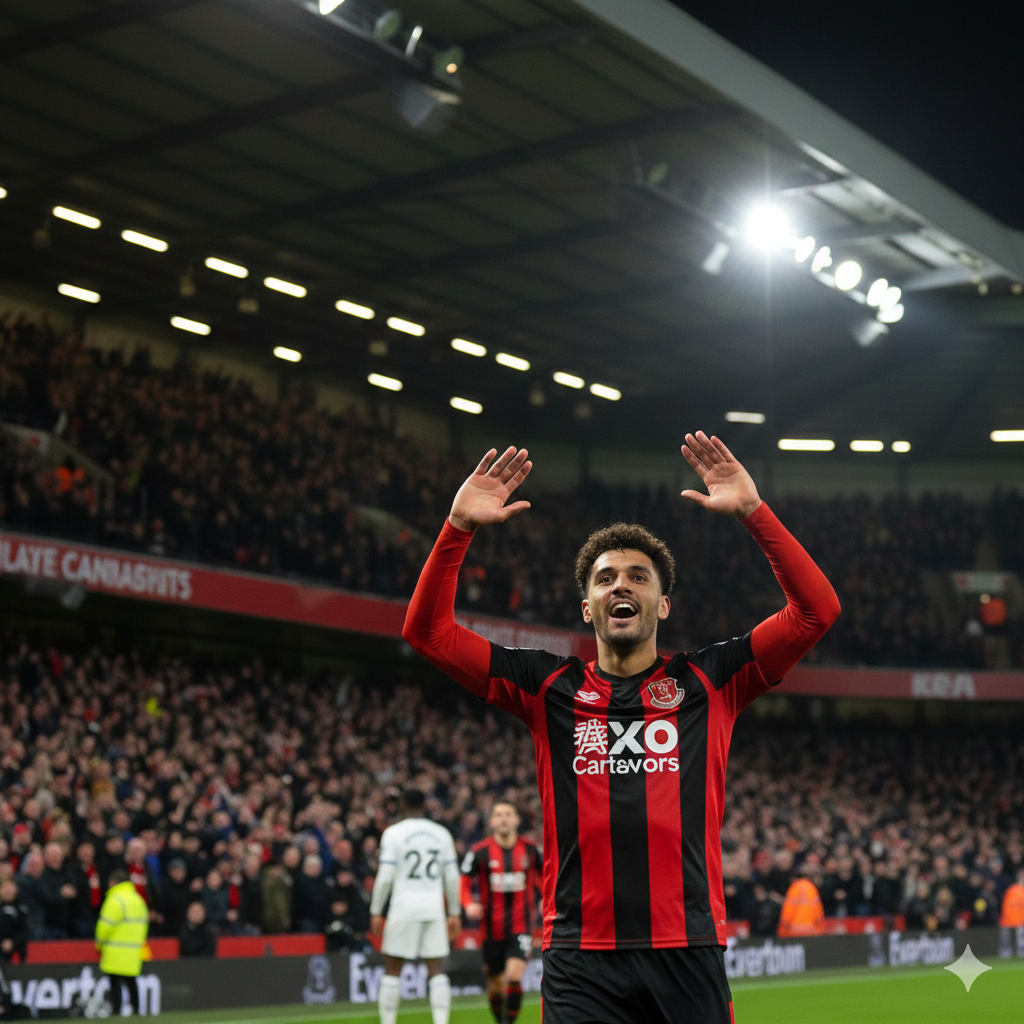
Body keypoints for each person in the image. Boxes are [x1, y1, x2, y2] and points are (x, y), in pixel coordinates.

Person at [403, 435, 840, 1024]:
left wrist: (753, 514)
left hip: (686, 948)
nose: (621, 586)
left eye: (639, 577)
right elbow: (427, 634)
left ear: (663, 605)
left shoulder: (710, 680)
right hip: (580, 958)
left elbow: (817, 612)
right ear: (587, 608)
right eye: (606, 579)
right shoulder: (547, 686)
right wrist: (456, 527)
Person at [369, 789, 461, 1024]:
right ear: (425, 805)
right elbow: (451, 878)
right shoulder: (441, 834)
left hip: (403, 907)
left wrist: (376, 910)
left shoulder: (393, 833)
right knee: (436, 970)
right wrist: (454, 912)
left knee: (392, 970)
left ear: (402, 805)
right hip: (433, 909)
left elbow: (386, 876)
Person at [461, 801, 542, 1024]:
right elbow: (464, 882)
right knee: (495, 985)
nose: (504, 819)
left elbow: (545, 878)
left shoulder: (530, 849)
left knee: (514, 976)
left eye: (508, 814)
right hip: (491, 929)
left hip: (521, 926)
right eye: (499, 815)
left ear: (517, 819)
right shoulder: (480, 852)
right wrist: (468, 904)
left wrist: (547, 899)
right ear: (492, 821)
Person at [95, 867, 149, 1017]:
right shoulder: (138, 899)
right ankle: (137, 1011)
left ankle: (116, 1011)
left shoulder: (114, 899)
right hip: (133, 950)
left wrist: (99, 944)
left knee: (114, 982)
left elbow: (104, 926)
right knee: (131, 982)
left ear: (113, 882)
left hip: (114, 950)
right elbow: (145, 924)